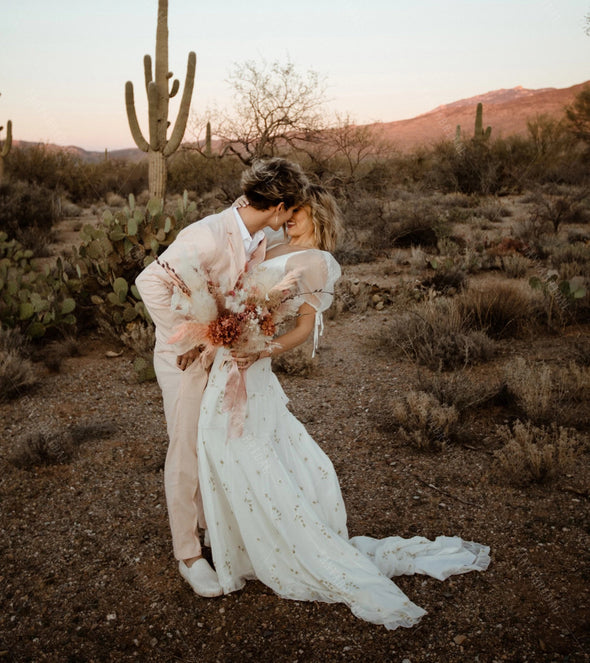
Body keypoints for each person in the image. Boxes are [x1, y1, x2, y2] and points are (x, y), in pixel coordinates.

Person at [187, 184, 491, 630]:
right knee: (219, 445)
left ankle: (279, 544)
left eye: (298, 212)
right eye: (286, 210)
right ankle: (243, 543)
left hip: (252, 362)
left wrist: (262, 350)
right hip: (226, 359)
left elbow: (305, 329)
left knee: (237, 444)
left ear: (319, 214)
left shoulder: (317, 262)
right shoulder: (271, 242)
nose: (288, 217)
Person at [135, 158, 309, 597]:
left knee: (213, 443)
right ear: (279, 206)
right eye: (290, 213)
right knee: (185, 447)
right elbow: (148, 282)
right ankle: (188, 555)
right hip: (185, 359)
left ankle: (211, 527)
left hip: (221, 359)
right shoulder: (207, 235)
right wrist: (193, 336)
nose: (289, 221)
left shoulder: (256, 238)